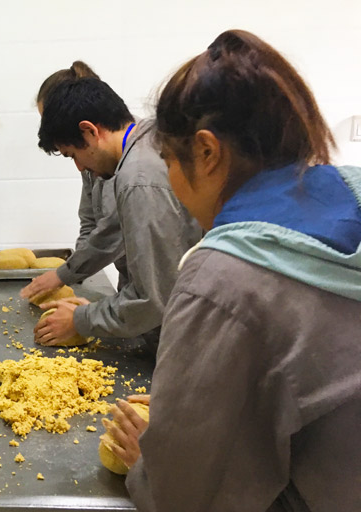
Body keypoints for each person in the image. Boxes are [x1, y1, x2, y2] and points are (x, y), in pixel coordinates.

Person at [106, 30, 361, 511]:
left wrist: (150, 458)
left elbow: (184, 495)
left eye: (168, 163)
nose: (170, 184)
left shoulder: (219, 278)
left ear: (206, 151)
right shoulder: (352, 191)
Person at [32, 78, 202, 351]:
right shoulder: (146, 139)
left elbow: (154, 298)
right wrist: (68, 273)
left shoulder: (138, 178)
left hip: (191, 331)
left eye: (72, 154)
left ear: (89, 132)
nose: (79, 168)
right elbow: (114, 229)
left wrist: (81, 320)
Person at [22, 61, 127, 301]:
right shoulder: (91, 156)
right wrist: (72, 277)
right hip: (132, 286)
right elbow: (90, 222)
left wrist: (65, 275)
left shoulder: (132, 166)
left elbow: (114, 233)